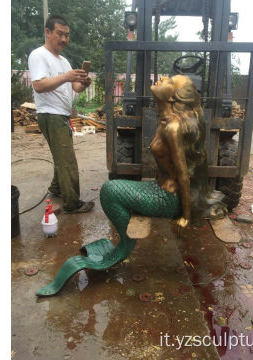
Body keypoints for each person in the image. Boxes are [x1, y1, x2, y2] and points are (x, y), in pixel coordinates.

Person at [36, 75, 227, 297]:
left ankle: (125, 243)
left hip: (168, 198)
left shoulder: (174, 127)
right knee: (114, 188)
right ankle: (122, 242)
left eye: (169, 80)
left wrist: (185, 215)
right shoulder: (166, 120)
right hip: (161, 188)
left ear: (173, 97)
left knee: (109, 190)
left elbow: (184, 176)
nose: (163, 77)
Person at [28, 15, 94, 213]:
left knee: (61, 156)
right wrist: (66, 76)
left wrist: (82, 83)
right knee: (67, 161)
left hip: (61, 116)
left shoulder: (63, 60)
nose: (64, 39)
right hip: (50, 115)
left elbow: (75, 87)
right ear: (47, 32)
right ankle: (72, 203)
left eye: (67, 35)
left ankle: (56, 189)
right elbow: (39, 86)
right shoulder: (38, 55)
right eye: (60, 34)